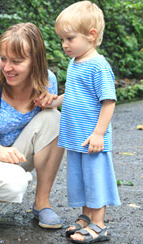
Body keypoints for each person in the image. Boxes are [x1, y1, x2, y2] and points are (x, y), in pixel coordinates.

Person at [0, 22, 65, 229]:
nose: (7, 67)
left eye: (16, 61)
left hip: (16, 156)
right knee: (12, 187)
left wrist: (48, 103)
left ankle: (42, 203)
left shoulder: (47, 80)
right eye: (3, 58)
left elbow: (46, 132)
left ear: (35, 61)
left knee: (54, 118)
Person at [36, 1, 121, 242]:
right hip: (75, 137)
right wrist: (52, 102)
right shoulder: (75, 63)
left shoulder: (98, 67)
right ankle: (85, 217)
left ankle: (99, 224)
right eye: (62, 39)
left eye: (69, 39)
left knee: (95, 180)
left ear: (91, 35)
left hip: (92, 137)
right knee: (81, 180)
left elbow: (108, 102)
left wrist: (98, 134)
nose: (64, 45)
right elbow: (74, 95)